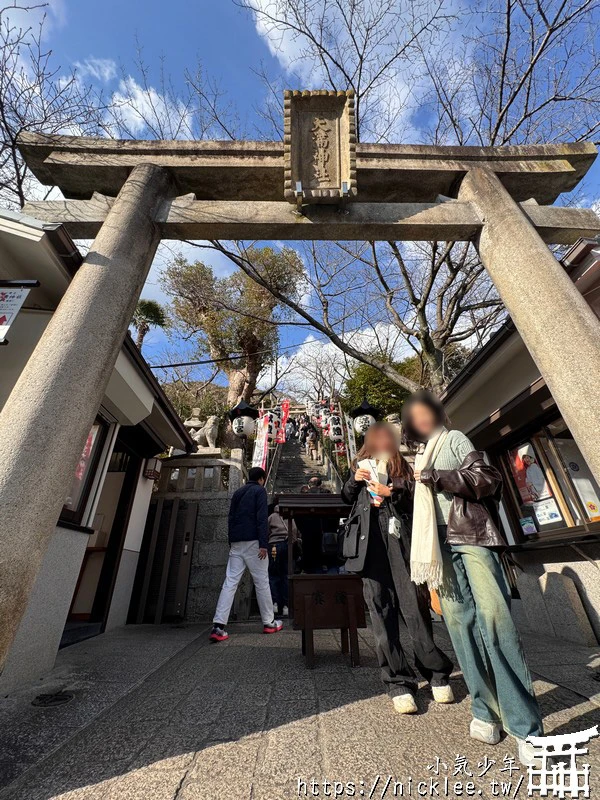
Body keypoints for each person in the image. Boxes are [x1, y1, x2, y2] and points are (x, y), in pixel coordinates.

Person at [401, 391, 543, 764]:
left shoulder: (455, 439)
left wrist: (435, 476)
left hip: (472, 536)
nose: (422, 420)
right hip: (440, 547)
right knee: (460, 626)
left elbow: (485, 479)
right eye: (414, 417)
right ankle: (484, 711)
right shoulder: (420, 455)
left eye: (424, 413)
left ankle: (525, 726)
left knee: (495, 619)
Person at [341, 421, 454, 714]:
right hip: (370, 547)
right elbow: (345, 496)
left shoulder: (402, 466)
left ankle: (436, 673)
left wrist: (391, 491)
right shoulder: (359, 464)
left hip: (402, 543)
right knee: (381, 610)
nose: (381, 442)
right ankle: (398, 682)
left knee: (414, 607)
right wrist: (355, 479)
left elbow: (417, 499)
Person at [210, 467, 283, 642]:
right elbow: (261, 518)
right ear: (261, 478)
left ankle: (218, 626)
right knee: (261, 581)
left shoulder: (238, 493)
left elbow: (231, 517)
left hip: (236, 543)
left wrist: (231, 542)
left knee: (230, 582)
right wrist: (263, 544)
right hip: (254, 543)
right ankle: (269, 622)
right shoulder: (259, 491)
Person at [268, 496, 297, 617]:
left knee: (273, 575)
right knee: (285, 575)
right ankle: (286, 605)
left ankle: (274, 603)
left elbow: (266, 532)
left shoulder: (271, 517)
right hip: (286, 545)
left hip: (273, 545)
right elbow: (294, 530)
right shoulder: (288, 516)